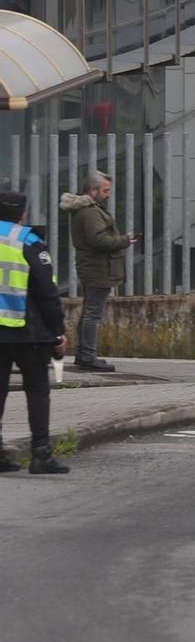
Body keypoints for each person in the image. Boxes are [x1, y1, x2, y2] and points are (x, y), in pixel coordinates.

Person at [0, 190, 70, 474]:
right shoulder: (28, 241)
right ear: (23, 214)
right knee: (37, 391)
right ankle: (41, 454)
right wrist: (58, 332)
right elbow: (47, 292)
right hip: (29, 331)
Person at [60, 171, 138, 372]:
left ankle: (84, 354)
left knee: (89, 311)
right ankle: (87, 356)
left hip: (95, 268)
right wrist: (124, 240)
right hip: (98, 269)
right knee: (92, 314)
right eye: (105, 190)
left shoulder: (86, 209)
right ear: (92, 190)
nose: (108, 194)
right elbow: (98, 240)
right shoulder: (90, 211)